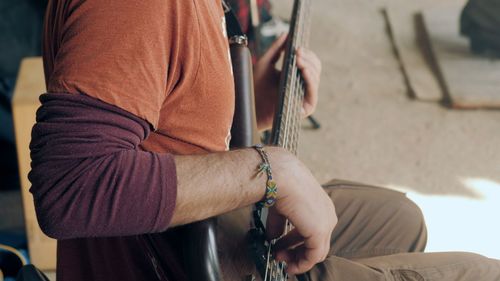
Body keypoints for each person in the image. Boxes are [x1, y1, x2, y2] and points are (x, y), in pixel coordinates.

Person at [29, 0, 500, 281]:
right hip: (177, 266)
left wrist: (254, 100)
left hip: (204, 234)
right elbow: (72, 188)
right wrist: (271, 169)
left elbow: (169, 123)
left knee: (399, 220)